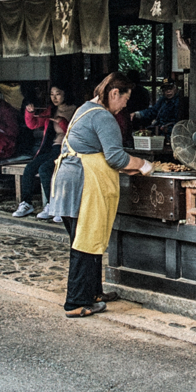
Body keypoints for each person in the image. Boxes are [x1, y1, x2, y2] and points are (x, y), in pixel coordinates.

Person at [51, 72, 154, 318]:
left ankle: (93, 293)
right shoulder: (103, 117)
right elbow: (116, 157)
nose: (124, 106)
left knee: (88, 241)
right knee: (84, 245)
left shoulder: (84, 109)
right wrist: (142, 164)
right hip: (83, 185)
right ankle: (76, 302)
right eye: (125, 100)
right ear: (114, 93)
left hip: (68, 182)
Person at [12, 84, 76, 220]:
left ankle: (53, 205)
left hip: (67, 149)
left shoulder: (76, 110)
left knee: (45, 169)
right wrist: (29, 112)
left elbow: (77, 134)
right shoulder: (51, 110)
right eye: (52, 94)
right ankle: (26, 203)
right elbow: (33, 124)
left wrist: (63, 123)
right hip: (52, 147)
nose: (54, 98)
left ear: (66, 93)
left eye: (57, 94)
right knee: (30, 168)